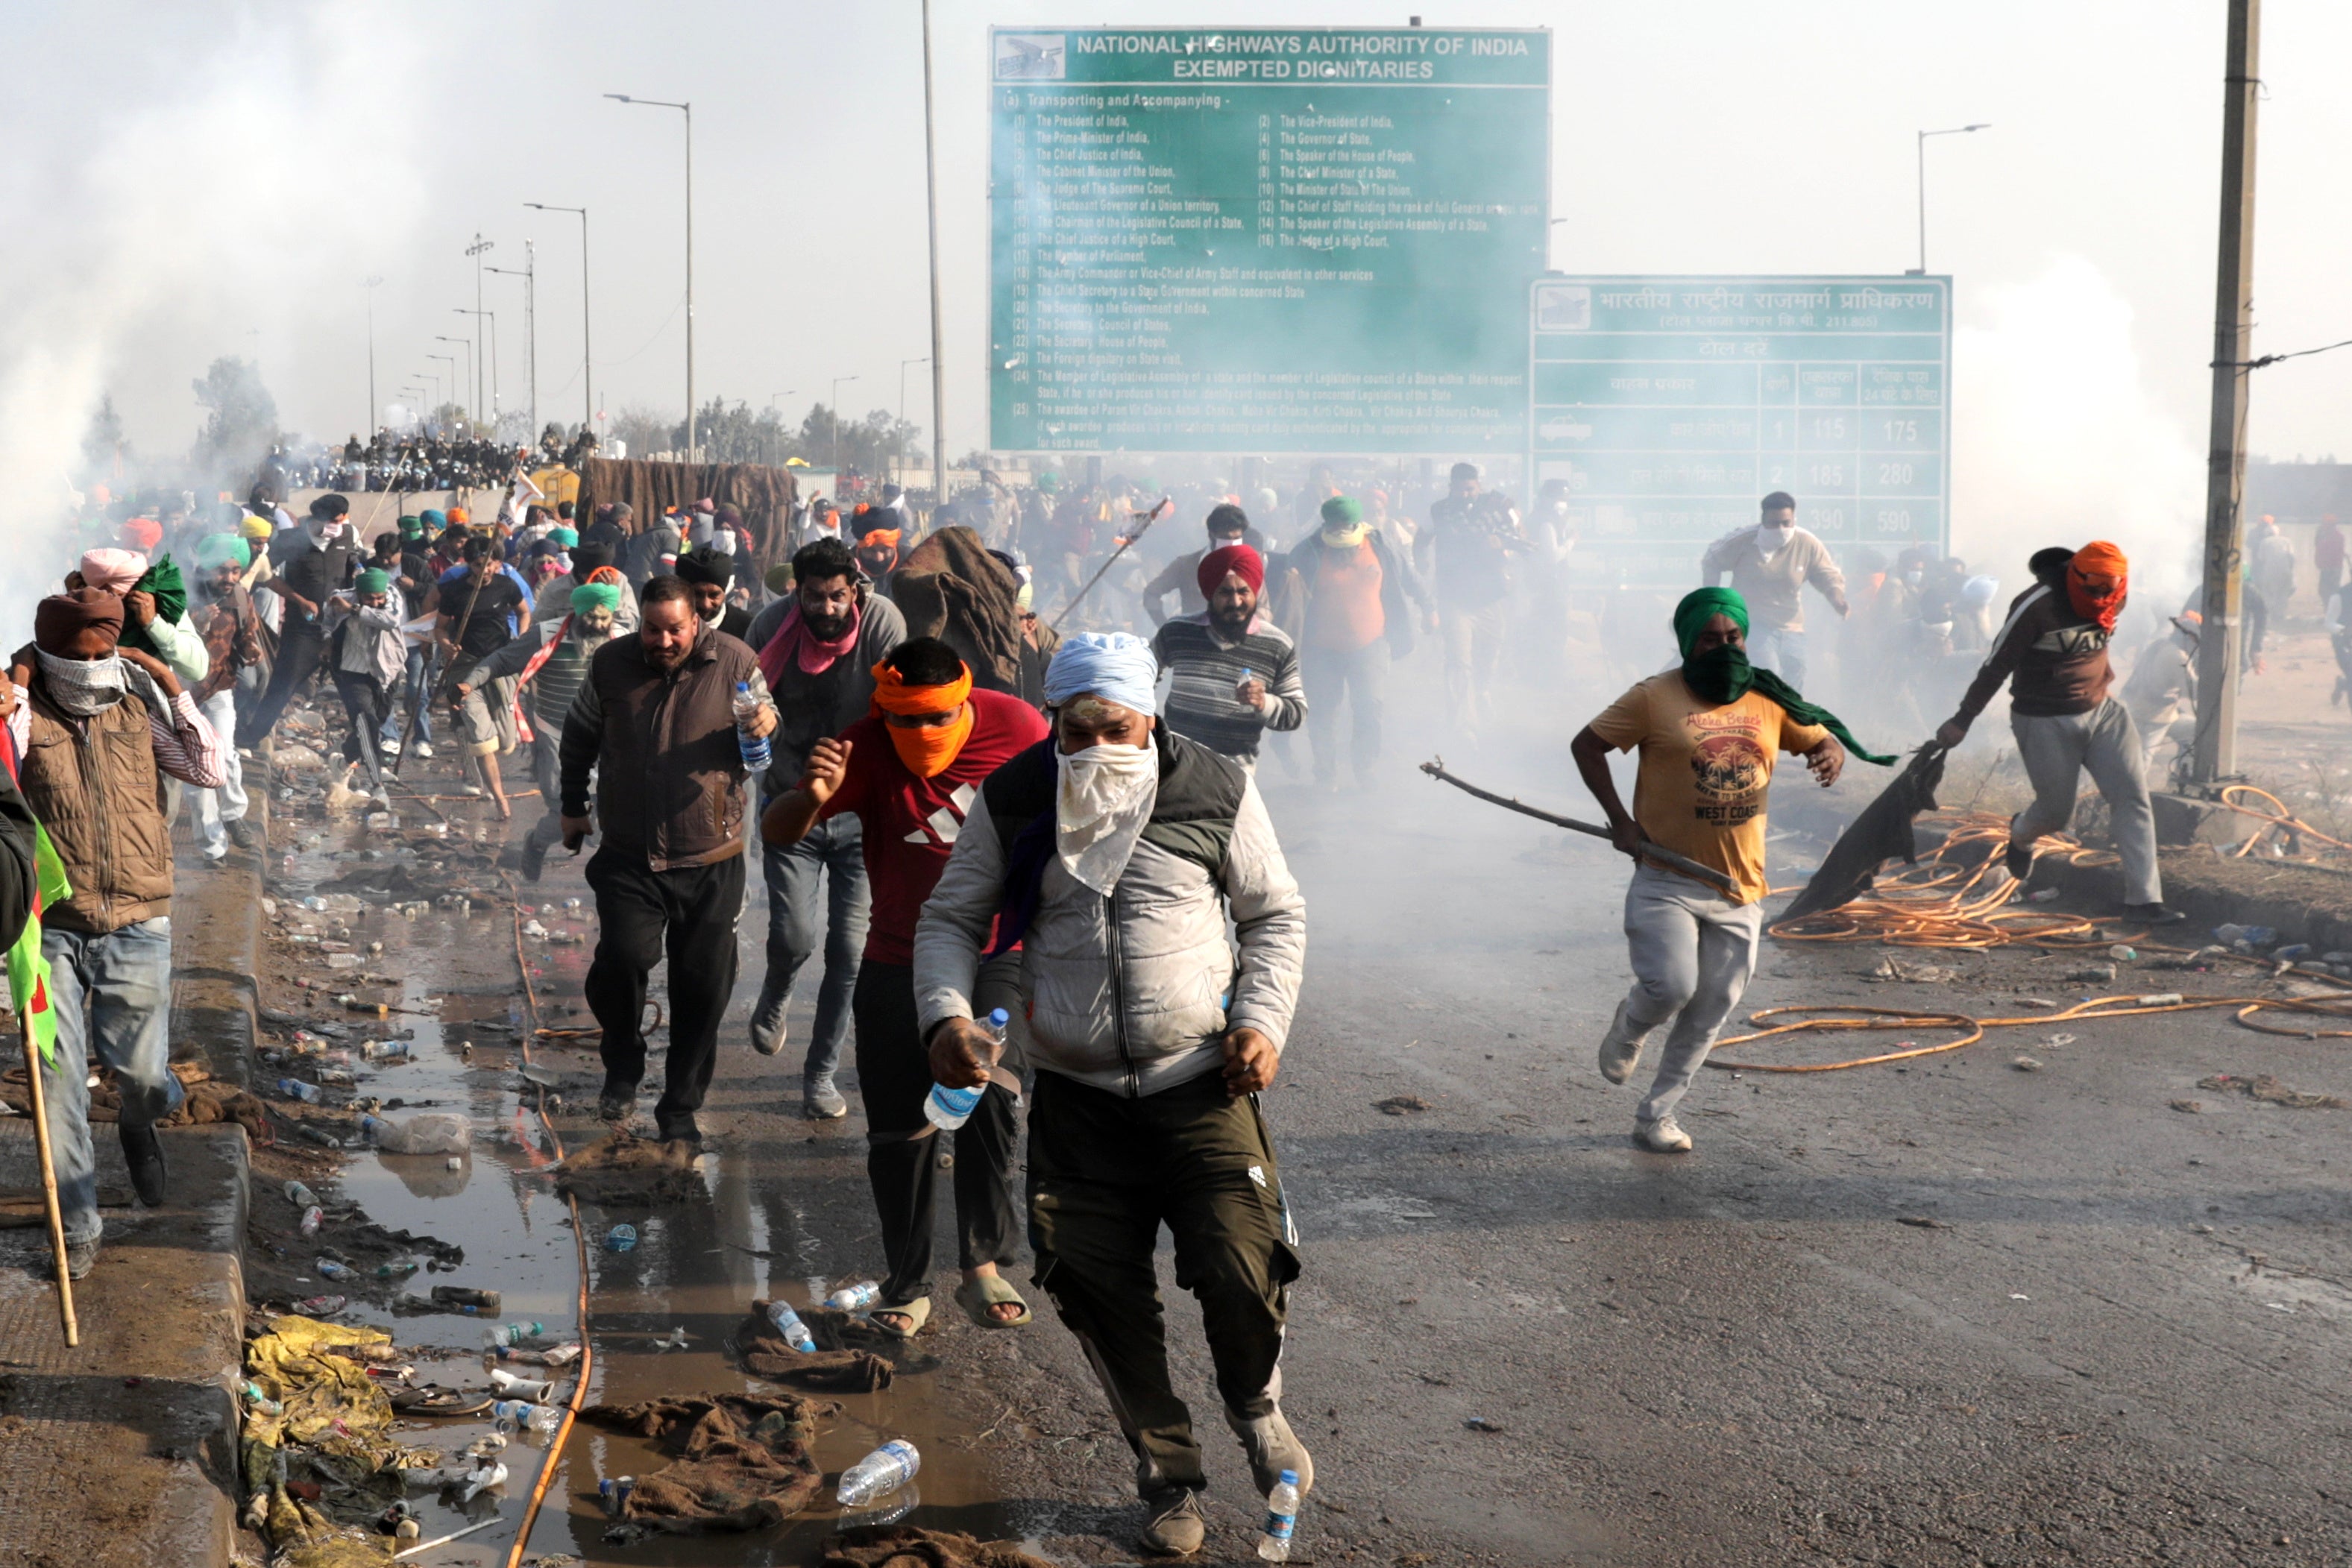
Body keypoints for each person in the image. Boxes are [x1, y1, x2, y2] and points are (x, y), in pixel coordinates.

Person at [914, 632, 1310, 1558]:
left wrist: (1261, 1021)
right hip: (1077, 1096)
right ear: (1056, 720)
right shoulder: (1014, 797)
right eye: (1076, 729)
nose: (1094, 748)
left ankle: (1257, 1410)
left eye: (1115, 728)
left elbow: (1273, 912)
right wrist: (944, 1019)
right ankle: (1167, 1478)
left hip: (1201, 1084)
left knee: (1239, 1262)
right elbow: (952, 917)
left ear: (1150, 718)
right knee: (1095, 1290)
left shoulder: (1214, 786)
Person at [761, 637, 1049, 1335]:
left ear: (965, 699)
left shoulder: (1019, 727)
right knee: (900, 1127)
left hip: (996, 949)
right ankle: (907, 1280)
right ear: (881, 711)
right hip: (899, 952)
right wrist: (812, 795)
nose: (922, 735)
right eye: (905, 722)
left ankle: (981, 1264)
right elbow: (775, 832)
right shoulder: (860, 745)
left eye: (936, 719)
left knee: (989, 1097)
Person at [1572, 588, 1878, 1152]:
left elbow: (1818, 736)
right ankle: (1632, 1023)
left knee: (1713, 1004)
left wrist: (1828, 751)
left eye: (1733, 637)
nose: (1723, 648)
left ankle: (1657, 1116)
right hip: (1667, 876)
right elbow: (1587, 745)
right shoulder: (1652, 697)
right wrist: (1620, 821)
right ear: (1689, 641)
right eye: (1710, 639)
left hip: (1740, 886)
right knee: (1672, 986)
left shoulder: (1767, 695)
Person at [0, 590, 227, 1279]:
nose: (95, 667)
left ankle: (139, 1116)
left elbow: (207, 769)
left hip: (138, 916)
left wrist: (168, 683)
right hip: (51, 928)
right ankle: (78, 1224)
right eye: (80, 656)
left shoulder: (135, 704)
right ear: (49, 655)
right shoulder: (25, 717)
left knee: (142, 1073)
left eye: (106, 652)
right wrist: (13, 691)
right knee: (58, 1077)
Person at [559, 576, 776, 1142]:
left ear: (695, 622)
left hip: (713, 857)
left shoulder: (736, 660)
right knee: (623, 960)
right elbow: (579, 735)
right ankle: (623, 1063)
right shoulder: (611, 664)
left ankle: (679, 1110)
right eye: (652, 629)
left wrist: (764, 723)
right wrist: (572, 806)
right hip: (630, 855)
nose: (662, 640)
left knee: (702, 987)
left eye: (673, 629)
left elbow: (766, 726)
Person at [742, 538, 907, 1115]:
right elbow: (744, 700)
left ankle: (820, 1073)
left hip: (863, 814)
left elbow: (903, 700)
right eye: (815, 596)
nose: (828, 608)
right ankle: (778, 988)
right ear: (798, 591)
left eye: (839, 596)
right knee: (794, 937)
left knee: (851, 950)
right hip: (791, 805)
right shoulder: (769, 626)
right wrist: (758, 715)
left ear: (855, 588)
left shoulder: (881, 620)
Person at [1934, 542, 2183, 924]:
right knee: (2055, 814)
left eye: (2109, 590)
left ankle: (2144, 902)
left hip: (2103, 711)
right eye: (2093, 590)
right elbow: (1996, 666)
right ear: (2074, 577)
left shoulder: (2118, 596)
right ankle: (2021, 833)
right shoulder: (2036, 606)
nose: (2102, 598)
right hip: (2043, 718)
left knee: (2133, 799)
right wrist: (1962, 720)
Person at [465, 580, 623, 880]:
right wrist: (470, 682)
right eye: (592, 619)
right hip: (555, 735)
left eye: (605, 619)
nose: (599, 626)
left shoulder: (624, 640)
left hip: (607, 738)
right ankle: (536, 845)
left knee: (610, 812)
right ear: (577, 615)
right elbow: (503, 660)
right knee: (567, 812)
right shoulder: (546, 634)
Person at [1286, 495, 1427, 791]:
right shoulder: (1308, 551)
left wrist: (1429, 606)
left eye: (1345, 527)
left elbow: (1409, 577)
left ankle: (1366, 768)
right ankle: (1326, 773)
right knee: (1324, 712)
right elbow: (1284, 593)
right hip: (1321, 648)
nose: (1341, 536)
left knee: (1369, 708)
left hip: (1371, 643)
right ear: (1326, 525)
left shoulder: (1380, 546)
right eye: (1334, 527)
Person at [1148, 542, 1306, 768]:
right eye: (1225, 592)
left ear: (1255, 593)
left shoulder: (1277, 645)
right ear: (1210, 594)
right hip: (1177, 764)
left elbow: (1296, 714)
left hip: (1235, 773)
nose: (1236, 602)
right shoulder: (1177, 631)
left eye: (1244, 592)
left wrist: (1264, 703)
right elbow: (1143, 673)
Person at [238, 494, 357, 747]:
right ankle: (250, 737)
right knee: (283, 685)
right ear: (318, 518)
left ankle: (364, 749)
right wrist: (300, 600)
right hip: (304, 629)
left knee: (355, 690)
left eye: (342, 520)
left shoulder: (347, 536)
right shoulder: (292, 540)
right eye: (334, 520)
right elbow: (265, 575)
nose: (339, 525)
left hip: (339, 628)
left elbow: (351, 569)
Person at [1697, 493, 1848, 690]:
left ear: (1794, 520)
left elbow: (1828, 576)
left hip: (1792, 626)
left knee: (1797, 672)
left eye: (1787, 523)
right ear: (1763, 522)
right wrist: (1713, 601)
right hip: (1754, 623)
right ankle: (1763, 716)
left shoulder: (1807, 543)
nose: (1781, 529)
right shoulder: (1743, 540)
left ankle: (1790, 716)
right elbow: (1712, 559)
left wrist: (1837, 600)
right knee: (1769, 672)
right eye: (1774, 524)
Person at [1419, 467, 1529, 737]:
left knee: (1488, 658)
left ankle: (1482, 693)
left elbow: (1523, 540)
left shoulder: (1499, 507)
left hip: (1491, 598)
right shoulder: (1439, 511)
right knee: (1459, 662)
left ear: (1479, 486)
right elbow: (1421, 538)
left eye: (1470, 489)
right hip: (1454, 600)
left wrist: (1501, 541)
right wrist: (1422, 563)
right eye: (1460, 489)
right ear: (1451, 487)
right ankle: (1464, 729)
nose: (1466, 494)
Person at [438, 538, 530, 816]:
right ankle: (500, 798)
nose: (484, 570)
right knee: (481, 738)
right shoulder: (455, 592)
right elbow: (440, 628)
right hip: (465, 668)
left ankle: (480, 746)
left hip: (499, 666)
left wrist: (522, 638)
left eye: (489, 564)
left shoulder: (508, 586)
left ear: (498, 564)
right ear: (469, 565)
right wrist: (445, 644)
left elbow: (524, 612)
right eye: (478, 565)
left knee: (505, 742)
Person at [188, 533, 263, 860]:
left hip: (220, 688)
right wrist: (196, 621)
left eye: (235, 570)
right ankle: (212, 848)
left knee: (227, 755)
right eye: (222, 571)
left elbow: (246, 634)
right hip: (182, 696)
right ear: (205, 567)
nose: (229, 578)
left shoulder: (240, 597)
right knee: (198, 773)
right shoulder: (179, 595)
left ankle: (233, 814)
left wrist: (251, 648)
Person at [70, 548, 210, 687]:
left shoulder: (164, 607)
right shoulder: (76, 607)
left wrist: (153, 623)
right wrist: (73, 608)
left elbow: (197, 670)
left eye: (118, 596)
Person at [325, 568, 405, 804]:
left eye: (378, 598)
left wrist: (354, 610)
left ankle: (342, 761)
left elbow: (390, 621)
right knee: (367, 724)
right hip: (353, 671)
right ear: (359, 593)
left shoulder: (393, 596)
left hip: (387, 670)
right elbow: (327, 620)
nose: (376, 602)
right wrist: (327, 639)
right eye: (369, 598)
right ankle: (377, 784)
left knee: (374, 724)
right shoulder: (341, 597)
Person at [1139, 504, 1264, 626]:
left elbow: (1264, 607)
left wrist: (1250, 628)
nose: (1232, 543)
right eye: (1226, 538)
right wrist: (1165, 627)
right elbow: (1151, 593)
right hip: (1195, 640)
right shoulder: (1187, 565)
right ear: (1211, 535)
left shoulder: (1249, 566)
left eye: (1237, 538)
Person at [2119, 612, 2201, 782]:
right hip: (2149, 718)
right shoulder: (2177, 657)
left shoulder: (2160, 645)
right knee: (2137, 771)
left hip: (2154, 713)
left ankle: (2183, 778)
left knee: (2195, 730)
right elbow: (2193, 691)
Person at [676, 546, 751, 638]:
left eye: (714, 595)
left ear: (725, 591)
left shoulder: (747, 628)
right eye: (697, 594)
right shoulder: (665, 626)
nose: (705, 605)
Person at [2316, 515, 2345, 610]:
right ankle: (2328, 609)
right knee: (2324, 590)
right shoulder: (2325, 536)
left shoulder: (2337, 536)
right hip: (2327, 567)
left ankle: (2331, 611)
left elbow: (2329, 551)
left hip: (2333, 568)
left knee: (2331, 591)